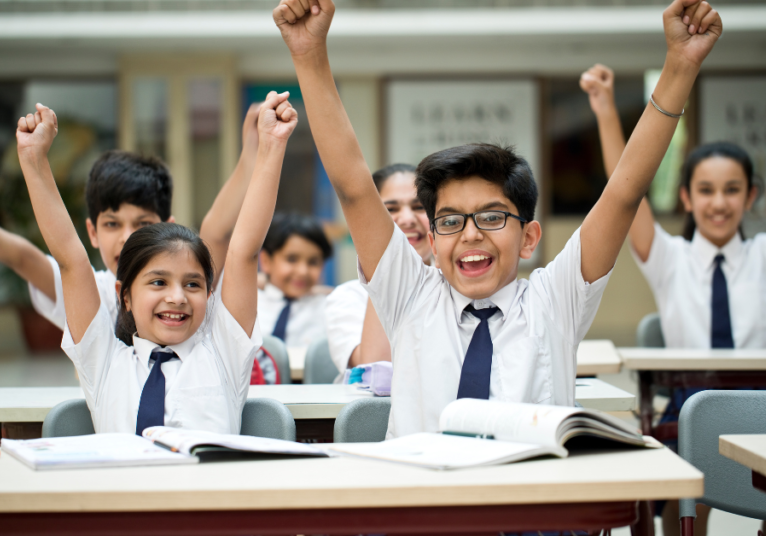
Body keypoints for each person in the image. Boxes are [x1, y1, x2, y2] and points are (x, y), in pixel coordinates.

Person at [274, 0, 722, 438]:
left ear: (529, 238)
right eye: (450, 221)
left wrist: (679, 67)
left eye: (491, 217)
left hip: (531, 504)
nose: (470, 234)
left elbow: (624, 192)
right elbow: (353, 186)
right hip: (426, 500)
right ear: (432, 237)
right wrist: (309, 56)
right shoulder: (410, 294)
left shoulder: (555, 300)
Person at [581, 64, 766, 536]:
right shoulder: (667, 257)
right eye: (706, 191)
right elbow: (625, 190)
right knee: (683, 509)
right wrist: (605, 110)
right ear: (686, 198)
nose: (719, 203)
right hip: (687, 405)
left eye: (732, 190)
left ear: (751, 195)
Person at [14, 92, 297, 434]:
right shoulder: (103, 360)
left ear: (210, 294)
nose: (177, 297)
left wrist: (271, 148)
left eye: (193, 284)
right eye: (159, 282)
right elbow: (71, 259)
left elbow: (244, 250)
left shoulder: (224, 351)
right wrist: (33, 160)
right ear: (125, 295)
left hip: (206, 488)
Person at [0, 104, 265, 331]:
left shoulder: (188, 291)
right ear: (92, 231)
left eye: (143, 225)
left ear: (168, 227)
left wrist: (253, 153)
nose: (126, 237)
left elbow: (217, 233)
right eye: (112, 224)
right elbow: (20, 255)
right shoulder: (87, 289)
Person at [324, 164, 431, 381]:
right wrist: (384, 261)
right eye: (391, 209)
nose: (408, 219)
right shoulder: (347, 298)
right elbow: (373, 373)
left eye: (419, 206)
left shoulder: (457, 287)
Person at [257, 212, 334, 348]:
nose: (303, 271)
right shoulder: (250, 305)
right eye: (291, 259)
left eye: (313, 262)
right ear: (266, 261)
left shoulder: (329, 309)